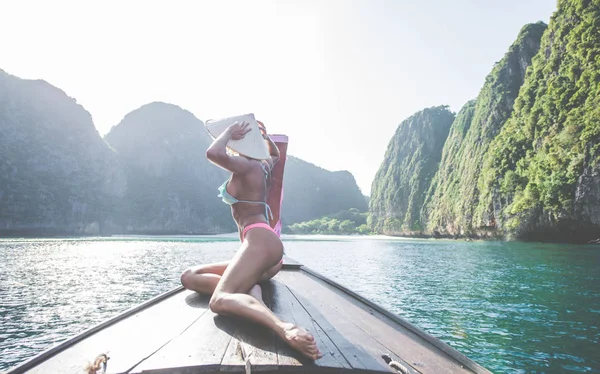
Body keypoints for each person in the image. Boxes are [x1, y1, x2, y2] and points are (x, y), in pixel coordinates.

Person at [180, 120, 322, 360]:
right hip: (262, 247)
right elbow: (275, 154)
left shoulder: (246, 165)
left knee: (219, 301)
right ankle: (250, 293)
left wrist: (227, 132)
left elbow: (212, 152)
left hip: (259, 243)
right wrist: (264, 137)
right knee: (189, 276)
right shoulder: (264, 165)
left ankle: (284, 328)